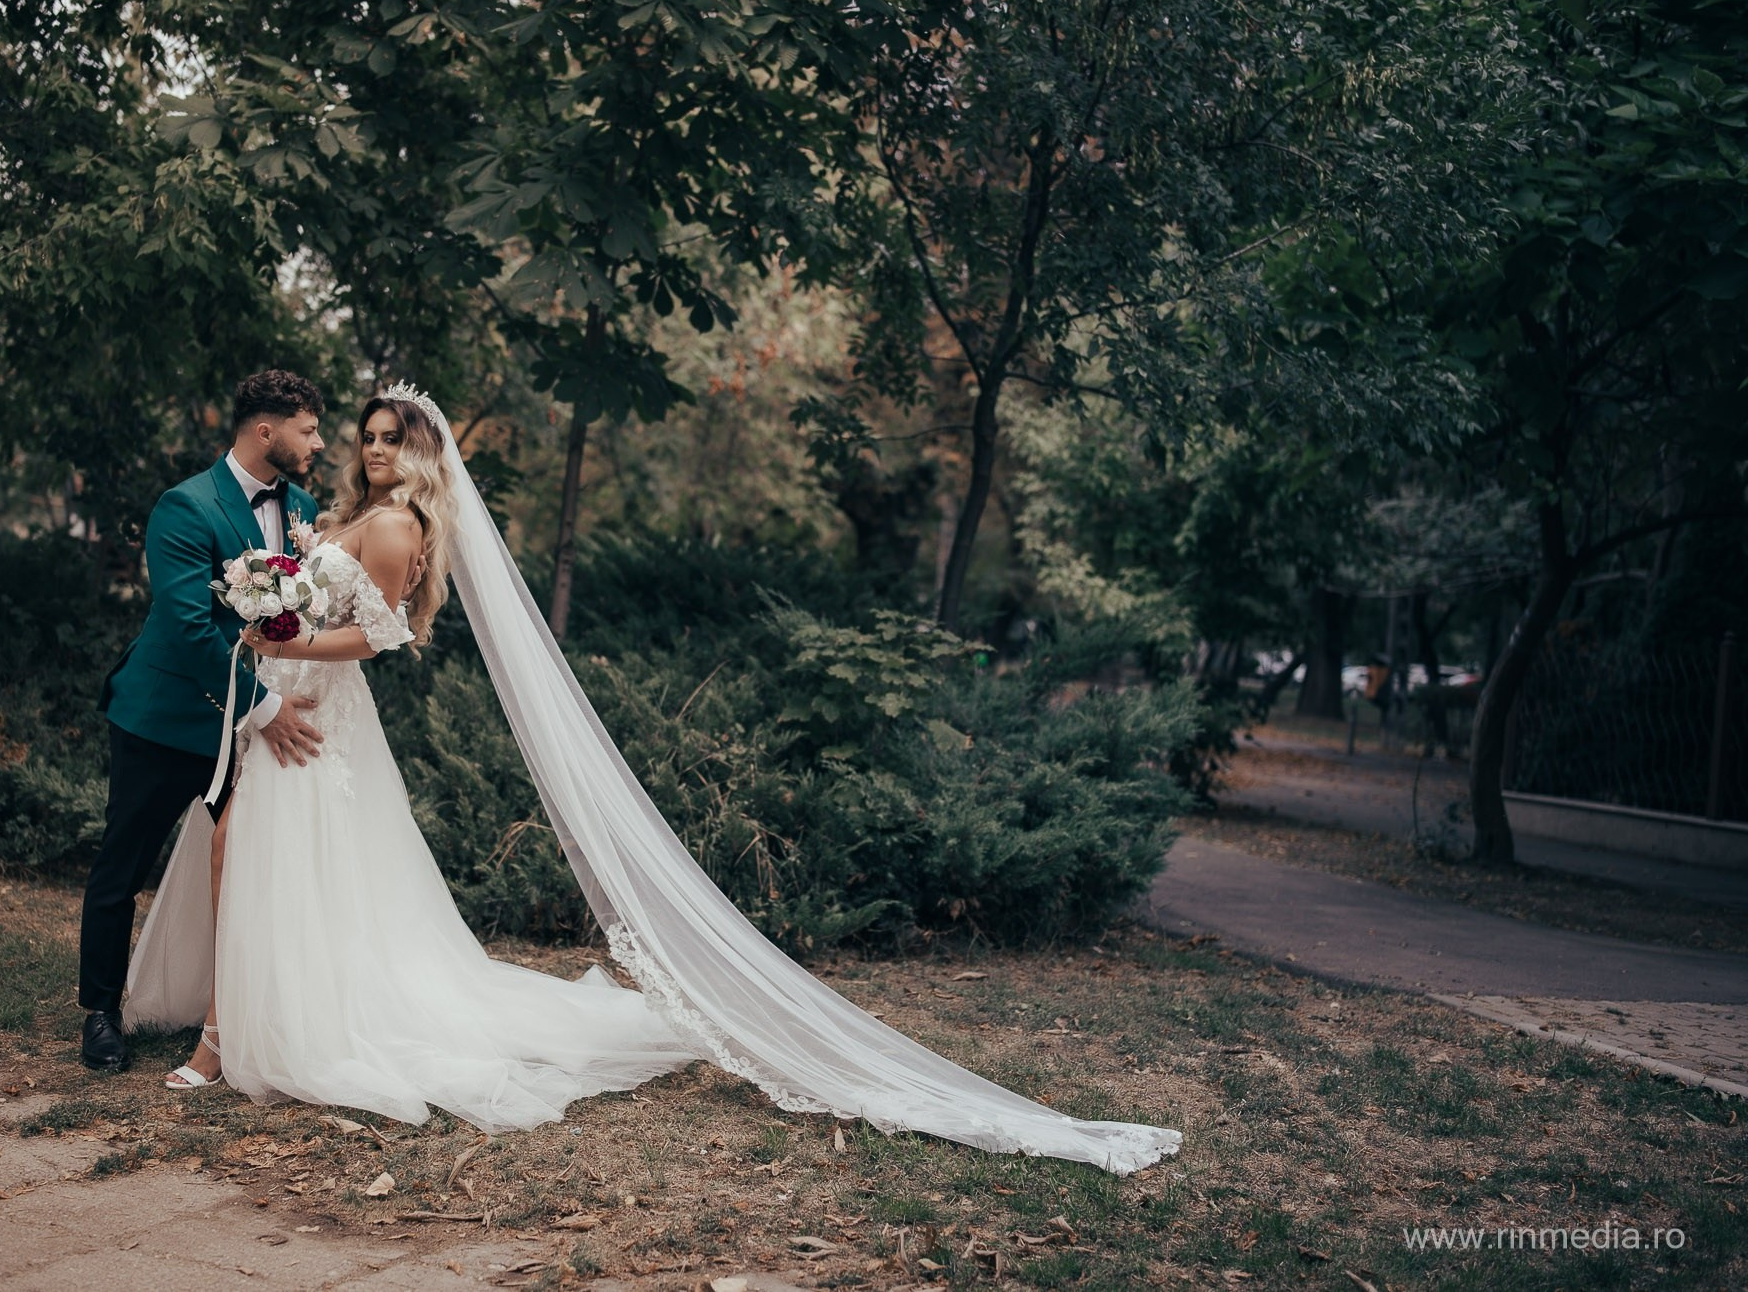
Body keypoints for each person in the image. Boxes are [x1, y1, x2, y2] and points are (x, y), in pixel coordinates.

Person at [126, 382, 1182, 1172]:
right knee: (270, 860)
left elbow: (382, 637)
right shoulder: (333, 516)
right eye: (367, 437)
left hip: (320, 710)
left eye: (393, 439)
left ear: (427, 455)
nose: (375, 450)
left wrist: (279, 649)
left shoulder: (400, 527)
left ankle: (249, 1034)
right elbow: (307, 593)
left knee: (302, 863)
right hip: (282, 712)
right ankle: (248, 1019)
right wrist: (275, 604)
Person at [77, 370, 327, 1074]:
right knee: (123, 864)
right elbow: (191, 629)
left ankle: (241, 1008)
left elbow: (295, 614)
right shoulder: (184, 507)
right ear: (265, 430)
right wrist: (265, 707)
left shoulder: (303, 506)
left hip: (247, 731)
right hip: (166, 719)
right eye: (308, 429)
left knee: (253, 866)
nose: (318, 442)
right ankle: (100, 1011)